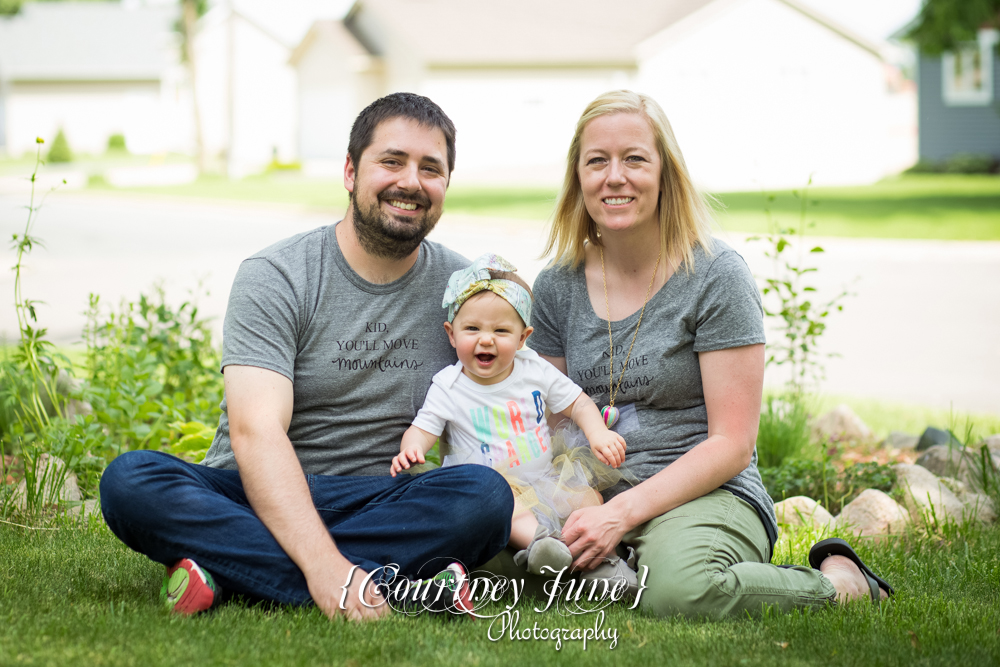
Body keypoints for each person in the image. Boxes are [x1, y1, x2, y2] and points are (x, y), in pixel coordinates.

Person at [99, 92, 514, 620]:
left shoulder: (462, 291)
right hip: (249, 490)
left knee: (484, 498)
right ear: (349, 171)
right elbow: (256, 433)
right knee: (131, 481)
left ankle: (228, 570)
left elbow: (509, 391)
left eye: (430, 168)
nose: (411, 181)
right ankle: (393, 584)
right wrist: (324, 569)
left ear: (445, 186)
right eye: (391, 161)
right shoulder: (277, 274)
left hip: (376, 498)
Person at [528, 89, 893, 617]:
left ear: (665, 173)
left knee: (680, 594)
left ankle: (840, 580)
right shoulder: (557, 285)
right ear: (578, 177)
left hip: (706, 491)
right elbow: (555, 425)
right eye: (597, 161)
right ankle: (621, 566)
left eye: (634, 158)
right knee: (492, 543)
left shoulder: (716, 276)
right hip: (595, 491)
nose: (615, 177)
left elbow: (733, 444)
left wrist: (623, 513)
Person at [389, 254, 632, 578]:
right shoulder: (449, 385)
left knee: (588, 498)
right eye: (472, 328)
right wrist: (411, 449)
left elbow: (578, 403)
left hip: (544, 478)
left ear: (522, 338)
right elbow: (422, 429)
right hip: (488, 490)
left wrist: (598, 432)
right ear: (451, 333)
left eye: (501, 330)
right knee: (509, 506)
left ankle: (606, 564)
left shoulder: (533, 368)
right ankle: (541, 547)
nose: (485, 339)